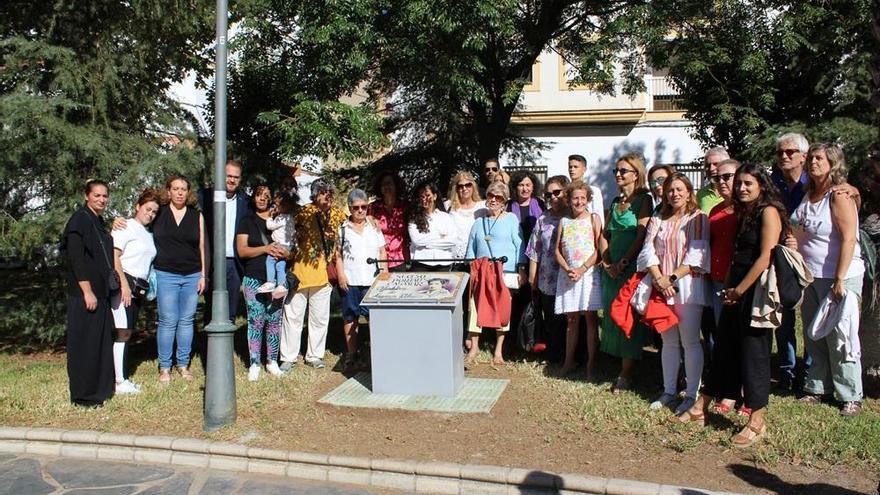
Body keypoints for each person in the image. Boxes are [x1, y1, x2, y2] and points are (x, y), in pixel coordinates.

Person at [677, 164, 788, 447]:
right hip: (734, 289)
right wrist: (729, 287)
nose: (741, 188)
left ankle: (757, 421)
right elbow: (738, 254)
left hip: (755, 292)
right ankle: (701, 407)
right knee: (724, 348)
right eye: (739, 183)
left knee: (755, 355)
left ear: (761, 185)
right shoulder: (744, 213)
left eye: (748, 183)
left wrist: (739, 290)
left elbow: (765, 258)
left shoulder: (769, 212)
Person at [792, 144, 865, 416]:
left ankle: (850, 394)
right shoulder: (809, 194)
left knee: (841, 337)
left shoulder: (840, 195)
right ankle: (816, 388)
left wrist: (840, 278)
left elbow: (848, 238)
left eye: (818, 158)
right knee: (815, 335)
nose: (812, 162)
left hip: (839, 277)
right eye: (810, 158)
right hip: (811, 276)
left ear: (832, 162)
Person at [638, 173, 709, 415]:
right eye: (670, 190)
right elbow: (647, 250)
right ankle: (669, 390)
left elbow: (696, 254)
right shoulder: (659, 217)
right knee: (668, 341)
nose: (675, 194)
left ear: (689, 192)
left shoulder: (698, 218)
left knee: (689, 341)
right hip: (661, 286)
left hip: (687, 287)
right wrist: (659, 278)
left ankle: (691, 394)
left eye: (680, 189)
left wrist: (672, 278)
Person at [598, 154, 653, 393]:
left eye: (623, 171)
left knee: (628, 316)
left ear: (636, 174)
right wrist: (607, 262)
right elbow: (603, 235)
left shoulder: (644, 200)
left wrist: (623, 261)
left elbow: (641, 235)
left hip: (630, 267)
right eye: (616, 171)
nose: (618, 175)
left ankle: (626, 372)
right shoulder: (613, 202)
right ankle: (617, 362)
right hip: (611, 269)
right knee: (612, 315)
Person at [280, 179, 346, 371]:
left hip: (323, 275)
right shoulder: (302, 213)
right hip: (300, 273)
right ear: (314, 195)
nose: (327, 196)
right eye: (322, 192)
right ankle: (288, 357)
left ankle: (314, 355)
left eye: (329, 192)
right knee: (293, 316)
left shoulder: (338, 214)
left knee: (319, 318)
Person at [61, 180, 116, 407]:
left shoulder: (97, 221)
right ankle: (84, 396)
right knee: (85, 346)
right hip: (85, 295)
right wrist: (87, 291)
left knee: (99, 345)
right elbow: (76, 258)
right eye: (97, 195)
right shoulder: (79, 220)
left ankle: (100, 391)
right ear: (87, 196)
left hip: (101, 294)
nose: (101, 199)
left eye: (104, 196)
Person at [464, 182, 526, 365]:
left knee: (502, 309)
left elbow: (520, 245)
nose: (493, 199)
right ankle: (474, 348)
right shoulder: (478, 222)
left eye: (498, 197)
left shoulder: (512, 219)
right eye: (490, 195)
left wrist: (521, 267)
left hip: (504, 271)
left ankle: (498, 351)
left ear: (504, 201)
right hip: (482, 271)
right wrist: (473, 268)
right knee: (475, 309)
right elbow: (470, 251)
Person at [153, 176, 207, 383]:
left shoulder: (196, 216)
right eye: (175, 189)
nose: (179, 192)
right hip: (166, 274)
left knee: (186, 321)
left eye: (183, 189)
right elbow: (139, 223)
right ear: (168, 191)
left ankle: (182, 364)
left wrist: (203, 274)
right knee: (168, 321)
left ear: (188, 192)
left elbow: (202, 247)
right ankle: (165, 367)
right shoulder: (159, 213)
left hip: (192, 274)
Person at [236, 185, 290, 381]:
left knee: (274, 321)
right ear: (254, 198)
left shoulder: (281, 219)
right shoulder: (247, 221)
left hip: (277, 281)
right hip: (253, 277)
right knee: (256, 321)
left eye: (266, 196)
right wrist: (266, 248)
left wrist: (286, 253)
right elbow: (242, 250)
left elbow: (292, 247)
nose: (262, 199)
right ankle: (254, 362)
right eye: (259, 195)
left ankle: (272, 361)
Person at [110, 188, 160, 395]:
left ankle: (120, 377)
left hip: (139, 286)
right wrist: (123, 285)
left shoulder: (148, 234)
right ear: (138, 206)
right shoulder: (125, 226)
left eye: (154, 212)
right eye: (147, 209)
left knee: (127, 331)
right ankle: (118, 381)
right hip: (125, 283)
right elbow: (115, 256)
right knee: (121, 331)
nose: (150, 214)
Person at [703, 159, 742, 414]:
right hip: (716, 280)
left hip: (740, 282)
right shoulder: (715, 210)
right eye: (718, 178)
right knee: (722, 336)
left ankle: (742, 392)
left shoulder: (747, 210)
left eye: (728, 177)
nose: (722, 182)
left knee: (741, 339)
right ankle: (726, 388)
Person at [555, 180, 603, 377]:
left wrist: (582, 269)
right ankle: (568, 362)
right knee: (571, 320)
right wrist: (568, 269)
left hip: (588, 274)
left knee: (591, 318)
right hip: (568, 276)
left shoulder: (594, 219)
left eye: (583, 198)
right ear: (569, 200)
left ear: (588, 199)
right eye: (575, 198)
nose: (579, 201)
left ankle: (592, 364)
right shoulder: (564, 221)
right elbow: (557, 250)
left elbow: (600, 250)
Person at [337, 189, 388, 370]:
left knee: (374, 317)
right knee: (350, 317)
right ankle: (351, 353)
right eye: (356, 207)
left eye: (364, 207)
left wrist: (385, 273)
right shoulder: (342, 229)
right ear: (350, 208)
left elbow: (382, 251)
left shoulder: (374, 227)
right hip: (351, 280)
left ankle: (377, 352)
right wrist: (341, 275)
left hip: (372, 281)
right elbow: (338, 255)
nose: (360, 210)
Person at [199, 159, 252, 322]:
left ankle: (227, 345)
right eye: (228, 175)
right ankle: (210, 346)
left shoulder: (246, 202)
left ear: (240, 179)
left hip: (234, 263)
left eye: (236, 177)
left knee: (231, 308)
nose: (231, 180)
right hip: (211, 261)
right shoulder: (204, 196)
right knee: (211, 308)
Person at [525, 175, 570, 363]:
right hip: (547, 278)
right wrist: (532, 276)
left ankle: (572, 355)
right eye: (548, 194)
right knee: (551, 319)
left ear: (566, 192)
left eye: (557, 192)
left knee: (569, 320)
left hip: (568, 276)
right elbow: (535, 248)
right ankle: (553, 355)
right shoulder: (543, 218)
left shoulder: (573, 216)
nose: (552, 197)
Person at [408, 182, 457, 271]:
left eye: (427, 195)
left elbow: (452, 240)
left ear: (435, 196)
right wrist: (440, 236)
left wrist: (427, 244)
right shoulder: (414, 219)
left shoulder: (447, 217)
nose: (424, 199)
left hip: (443, 263)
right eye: (421, 197)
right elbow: (417, 241)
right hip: (421, 263)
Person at [257, 190, 297, 297]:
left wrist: (269, 217)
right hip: (287, 246)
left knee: (270, 261)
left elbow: (270, 226)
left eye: (277, 206)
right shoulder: (291, 218)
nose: (275, 208)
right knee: (280, 265)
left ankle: (270, 282)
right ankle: (281, 285)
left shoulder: (281, 218)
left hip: (279, 244)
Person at [367, 171, 409, 271]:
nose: (387, 187)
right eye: (383, 184)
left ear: (396, 186)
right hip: (380, 258)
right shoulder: (373, 207)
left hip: (400, 258)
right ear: (380, 188)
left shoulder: (405, 206)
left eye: (389, 183)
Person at [445, 171, 486, 260]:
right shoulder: (448, 206)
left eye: (468, 185)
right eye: (460, 186)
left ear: (473, 186)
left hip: (477, 257)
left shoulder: (483, 207)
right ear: (456, 188)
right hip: (454, 258)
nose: (464, 188)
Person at [507, 170, 545, 245]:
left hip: (536, 247)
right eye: (521, 185)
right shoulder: (509, 205)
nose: (525, 189)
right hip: (515, 247)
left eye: (528, 185)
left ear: (533, 187)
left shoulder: (540, 203)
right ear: (515, 187)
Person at [696, 147, 729, 214]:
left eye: (716, 164)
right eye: (708, 165)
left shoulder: (736, 191)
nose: (711, 169)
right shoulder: (701, 194)